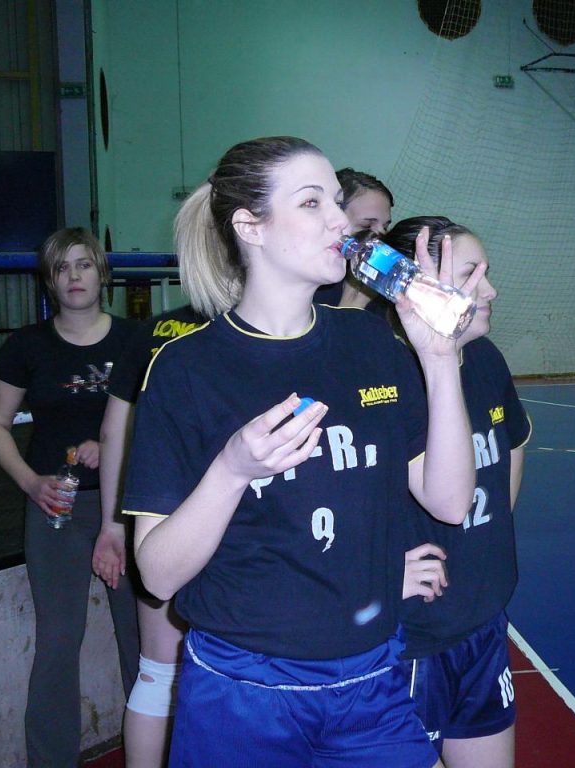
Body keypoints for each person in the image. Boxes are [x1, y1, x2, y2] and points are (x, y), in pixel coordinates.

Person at [121, 136, 484, 768]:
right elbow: (157, 575)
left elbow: (450, 502)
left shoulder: (369, 340)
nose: (341, 222)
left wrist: (438, 359)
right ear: (250, 227)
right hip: (242, 688)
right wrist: (232, 469)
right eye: (312, 203)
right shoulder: (185, 368)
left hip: (372, 681)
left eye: (337, 203)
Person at [0, 227, 140, 767]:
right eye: (62, 267)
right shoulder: (26, 346)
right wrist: (31, 482)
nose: (74, 276)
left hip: (127, 508)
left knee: (140, 639)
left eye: (84, 264)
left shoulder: (136, 340)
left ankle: (161, 753)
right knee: (57, 641)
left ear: (102, 273)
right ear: (49, 280)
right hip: (57, 507)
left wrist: (114, 443)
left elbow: (158, 417)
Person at [383, 217, 531, 768]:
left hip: (482, 620)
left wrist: (484, 540)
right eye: (470, 275)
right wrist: (376, 569)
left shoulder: (487, 360)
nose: (489, 291)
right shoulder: (386, 377)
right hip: (413, 636)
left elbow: (514, 441)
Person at [97, 302, 205, 768]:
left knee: (157, 673)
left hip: (160, 513)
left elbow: (113, 432)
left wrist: (113, 523)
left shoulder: (152, 331)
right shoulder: (263, 325)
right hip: (229, 521)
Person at [313, 166, 394, 309]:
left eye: (385, 227)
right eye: (366, 226)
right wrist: (352, 308)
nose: (380, 237)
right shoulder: (314, 281)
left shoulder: (380, 282)